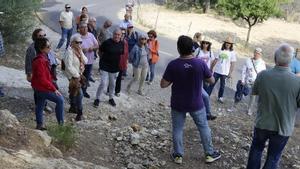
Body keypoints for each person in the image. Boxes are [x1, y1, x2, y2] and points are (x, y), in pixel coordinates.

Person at [160, 35, 221, 164]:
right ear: (193, 49)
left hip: (178, 103)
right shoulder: (200, 63)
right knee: (203, 127)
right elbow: (212, 81)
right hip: (196, 103)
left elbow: (163, 84)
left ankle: (178, 156)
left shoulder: (173, 64)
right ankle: (209, 154)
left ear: (178, 48)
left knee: (177, 128)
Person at [246, 44, 300, 169]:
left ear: (275, 59)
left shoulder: (263, 75)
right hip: (283, 126)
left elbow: (255, 92)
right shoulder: (297, 81)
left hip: (262, 123)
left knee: (256, 150)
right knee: (273, 156)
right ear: (291, 60)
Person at [31, 38, 64, 130]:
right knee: (60, 100)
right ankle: (61, 126)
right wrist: (54, 89)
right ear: (42, 49)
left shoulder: (42, 58)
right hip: (42, 88)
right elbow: (42, 79)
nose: (50, 48)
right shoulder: (40, 61)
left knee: (40, 105)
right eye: (48, 47)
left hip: (38, 87)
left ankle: (39, 124)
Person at [25, 28, 58, 112]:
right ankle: (39, 107)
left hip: (47, 71)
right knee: (38, 90)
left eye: (44, 35)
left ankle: (44, 105)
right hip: (36, 73)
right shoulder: (32, 48)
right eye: (40, 35)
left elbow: (50, 56)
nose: (42, 37)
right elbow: (28, 62)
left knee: (45, 88)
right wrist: (29, 74)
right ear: (35, 36)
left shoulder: (45, 44)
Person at [94, 28, 124, 107]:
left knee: (112, 84)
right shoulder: (107, 42)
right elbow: (100, 51)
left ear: (121, 36)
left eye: (118, 35)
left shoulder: (122, 44)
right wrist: (102, 59)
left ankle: (111, 98)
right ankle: (97, 98)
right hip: (105, 66)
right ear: (113, 34)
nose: (117, 36)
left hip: (114, 67)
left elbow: (122, 54)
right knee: (103, 83)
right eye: (115, 34)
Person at [63, 34, 88, 121]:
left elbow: (86, 61)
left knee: (74, 90)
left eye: (80, 42)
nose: (79, 44)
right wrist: (77, 75)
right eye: (77, 42)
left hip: (79, 75)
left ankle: (72, 106)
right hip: (73, 76)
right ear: (72, 42)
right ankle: (79, 113)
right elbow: (68, 66)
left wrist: (81, 52)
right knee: (80, 94)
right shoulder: (69, 52)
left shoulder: (79, 50)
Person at [207, 36, 237, 103]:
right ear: (224, 43)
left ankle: (220, 97)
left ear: (231, 45)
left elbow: (233, 63)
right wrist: (211, 68)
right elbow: (215, 60)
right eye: (226, 43)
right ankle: (207, 95)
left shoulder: (232, 53)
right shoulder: (220, 50)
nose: (227, 44)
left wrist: (230, 73)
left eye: (229, 43)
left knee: (222, 86)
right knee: (212, 83)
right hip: (217, 71)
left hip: (225, 72)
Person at [194, 37, 217, 120]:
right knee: (202, 94)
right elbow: (192, 59)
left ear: (209, 44)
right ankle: (205, 112)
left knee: (205, 94)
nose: (205, 44)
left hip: (206, 74)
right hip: (196, 74)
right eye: (204, 43)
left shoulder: (211, 52)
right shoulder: (198, 50)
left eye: (207, 43)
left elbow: (212, 62)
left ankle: (206, 113)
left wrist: (211, 73)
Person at [76, 23, 99, 98]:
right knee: (78, 77)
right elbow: (72, 48)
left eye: (86, 27)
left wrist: (92, 48)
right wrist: (82, 50)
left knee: (87, 77)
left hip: (90, 61)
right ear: (79, 29)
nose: (85, 29)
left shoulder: (91, 35)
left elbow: (97, 45)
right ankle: (76, 92)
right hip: (79, 62)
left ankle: (84, 91)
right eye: (83, 27)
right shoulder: (77, 37)